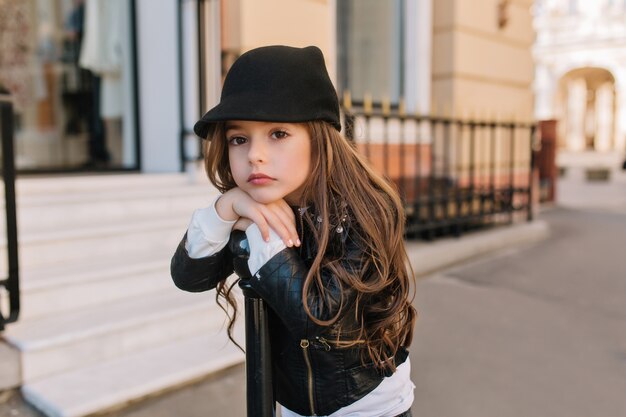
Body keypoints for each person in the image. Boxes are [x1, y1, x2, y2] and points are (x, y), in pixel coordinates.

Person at [171, 45, 417, 417]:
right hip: (293, 405)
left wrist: (261, 229)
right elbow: (189, 276)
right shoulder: (254, 202)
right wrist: (226, 208)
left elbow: (318, 317)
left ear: (319, 138)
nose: (255, 154)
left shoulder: (366, 211)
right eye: (240, 139)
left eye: (278, 134)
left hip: (366, 406)